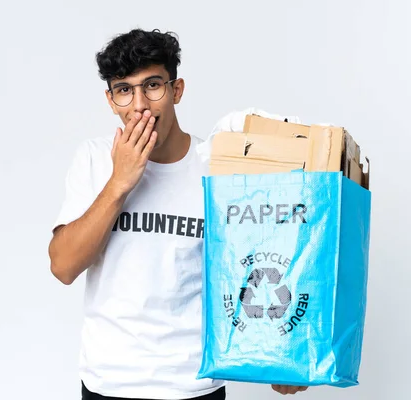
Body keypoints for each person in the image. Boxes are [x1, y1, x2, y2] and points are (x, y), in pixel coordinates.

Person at [48, 28, 308, 400]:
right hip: (109, 382)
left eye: (152, 85)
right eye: (124, 90)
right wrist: (119, 182)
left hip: (194, 385)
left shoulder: (217, 168)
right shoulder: (93, 159)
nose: (139, 104)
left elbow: (253, 268)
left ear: (177, 90)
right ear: (111, 100)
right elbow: (63, 267)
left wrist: (284, 357)